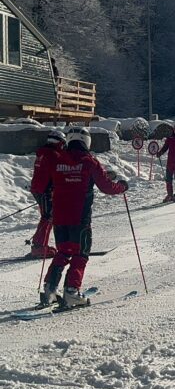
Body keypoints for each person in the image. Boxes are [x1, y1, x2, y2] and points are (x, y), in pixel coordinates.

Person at [39, 127, 128, 308]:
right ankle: (72, 291)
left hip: (59, 218)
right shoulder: (89, 162)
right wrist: (122, 186)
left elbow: (46, 184)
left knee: (63, 252)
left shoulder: (57, 159)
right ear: (86, 141)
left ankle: (50, 288)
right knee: (81, 254)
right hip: (80, 218)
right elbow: (107, 187)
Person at [29, 130, 66, 258]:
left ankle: (39, 245)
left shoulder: (42, 153)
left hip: (38, 189)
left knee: (47, 216)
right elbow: (58, 173)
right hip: (46, 190)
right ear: (60, 142)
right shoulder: (54, 155)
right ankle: (39, 247)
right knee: (48, 217)